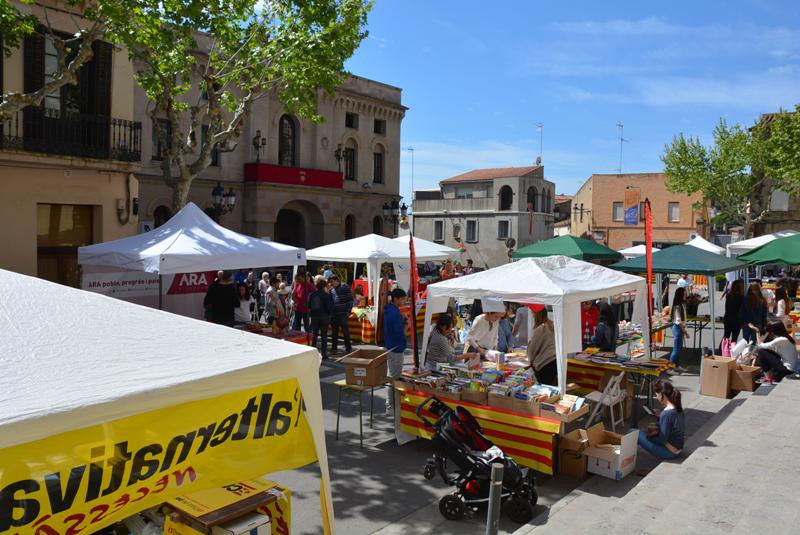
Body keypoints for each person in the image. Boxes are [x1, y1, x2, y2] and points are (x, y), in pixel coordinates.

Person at [637, 380, 685, 460]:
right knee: (642, 432)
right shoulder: (678, 408)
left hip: (670, 452)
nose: (657, 398)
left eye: (657, 395)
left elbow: (662, 439)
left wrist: (648, 436)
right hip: (678, 448)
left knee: (634, 433)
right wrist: (660, 416)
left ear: (662, 394)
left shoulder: (666, 414)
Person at [749, 319, 797, 384]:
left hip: (787, 370)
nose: (768, 333)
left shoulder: (781, 339)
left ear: (773, 331)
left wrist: (757, 331)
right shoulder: (786, 337)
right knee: (766, 351)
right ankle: (771, 375)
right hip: (789, 368)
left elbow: (760, 345)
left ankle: (768, 377)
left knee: (762, 352)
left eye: (769, 331)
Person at [384, 288, 408, 414]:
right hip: (396, 347)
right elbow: (400, 333)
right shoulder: (394, 313)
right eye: (403, 299)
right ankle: (390, 406)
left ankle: (390, 405)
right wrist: (406, 325)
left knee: (392, 376)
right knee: (394, 378)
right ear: (396, 299)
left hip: (391, 347)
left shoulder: (390, 310)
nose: (404, 301)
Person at [526, 308, 557, 386]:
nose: (532, 316)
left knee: (543, 389)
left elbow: (532, 349)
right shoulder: (553, 325)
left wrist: (530, 359)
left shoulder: (541, 328)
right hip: (554, 361)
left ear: (537, 315)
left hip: (544, 364)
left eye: (533, 314)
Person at [308, 276, 333, 359]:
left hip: (314, 317)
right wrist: (329, 314)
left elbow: (309, 306)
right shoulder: (326, 295)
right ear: (323, 287)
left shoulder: (312, 294)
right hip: (324, 317)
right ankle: (324, 353)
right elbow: (329, 307)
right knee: (324, 336)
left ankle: (313, 353)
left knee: (314, 335)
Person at [329, 274, 354, 354]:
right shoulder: (332, 289)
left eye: (332, 282)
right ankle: (334, 348)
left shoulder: (345, 286)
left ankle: (348, 348)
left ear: (337, 280)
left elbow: (350, 300)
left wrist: (348, 311)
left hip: (343, 314)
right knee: (334, 333)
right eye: (330, 282)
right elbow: (331, 301)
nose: (331, 283)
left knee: (345, 332)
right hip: (334, 314)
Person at [669, 287, 689, 371]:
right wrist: (685, 332)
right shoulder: (677, 306)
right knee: (676, 349)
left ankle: (676, 366)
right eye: (684, 293)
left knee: (679, 349)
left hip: (679, 328)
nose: (686, 295)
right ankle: (670, 368)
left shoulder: (681, 304)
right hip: (677, 328)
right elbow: (678, 321)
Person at [721, 279, 744, 348]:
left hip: (728, 318)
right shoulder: (741, 297)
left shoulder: (729, 296)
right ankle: (731, 352)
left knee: (726, 336)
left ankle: (722, 350)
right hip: (737, 320)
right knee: (734, 339)